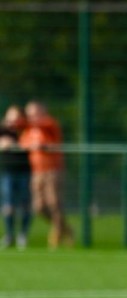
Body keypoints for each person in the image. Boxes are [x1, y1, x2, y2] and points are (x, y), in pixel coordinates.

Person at [19, 100, 73, 248]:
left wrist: (43, 146)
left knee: (54, 203)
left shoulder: (49, 124)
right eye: (29, 114)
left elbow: (47, 135)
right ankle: (65, 229)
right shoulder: (29, 130)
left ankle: (57, 233)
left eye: (35, 113)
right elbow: (23, 143)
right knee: (39, 207)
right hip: (37, 172)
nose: (32, 117)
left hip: (53, 170)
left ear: (43, 111)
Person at [1, 105, 32, 249]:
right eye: (11, 117)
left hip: (25, 171)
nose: (13, 121)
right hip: (8, 172)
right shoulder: (2, 130)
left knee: (25, 204)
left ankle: (23, 235)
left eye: (17, 117)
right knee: (9, 204)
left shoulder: (27, 130)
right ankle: (9, 235)